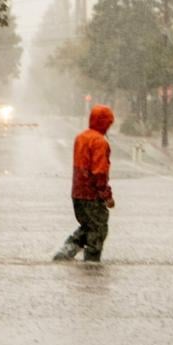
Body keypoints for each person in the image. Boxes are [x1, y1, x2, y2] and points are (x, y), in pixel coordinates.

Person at [54, 104, 115, 262]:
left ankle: (67, 250)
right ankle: (91, 262)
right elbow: (99, 172)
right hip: (92, 194)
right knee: (98, 228)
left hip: (77, 192)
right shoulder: (99, 142)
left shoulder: (81, 138)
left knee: (88, 225)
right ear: (104, 122)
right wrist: (106, 195)